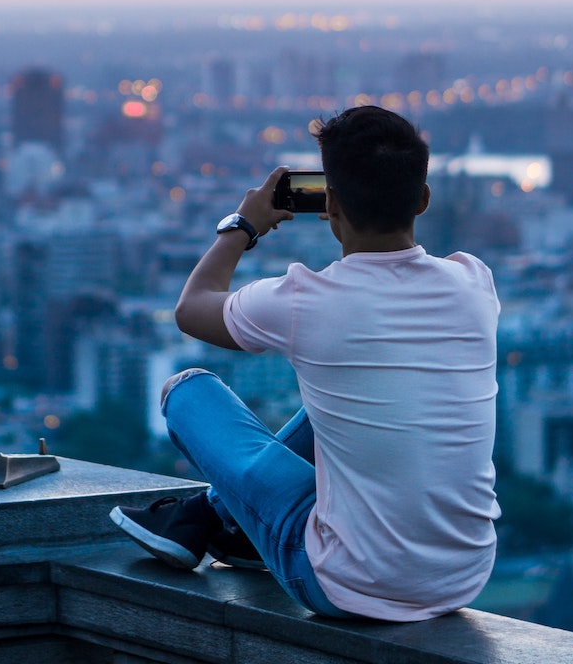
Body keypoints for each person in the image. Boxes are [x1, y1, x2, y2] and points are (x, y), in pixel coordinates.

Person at [109, 105, 501, 621]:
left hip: (339, 583)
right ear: (423, 199)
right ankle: (207, 520)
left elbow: (191, 308)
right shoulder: (474, 282)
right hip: (462, 577)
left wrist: (243, 225)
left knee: (187, 391)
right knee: (342, 408)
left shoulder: (306, 300)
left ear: (329, 203)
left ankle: (204, 519)